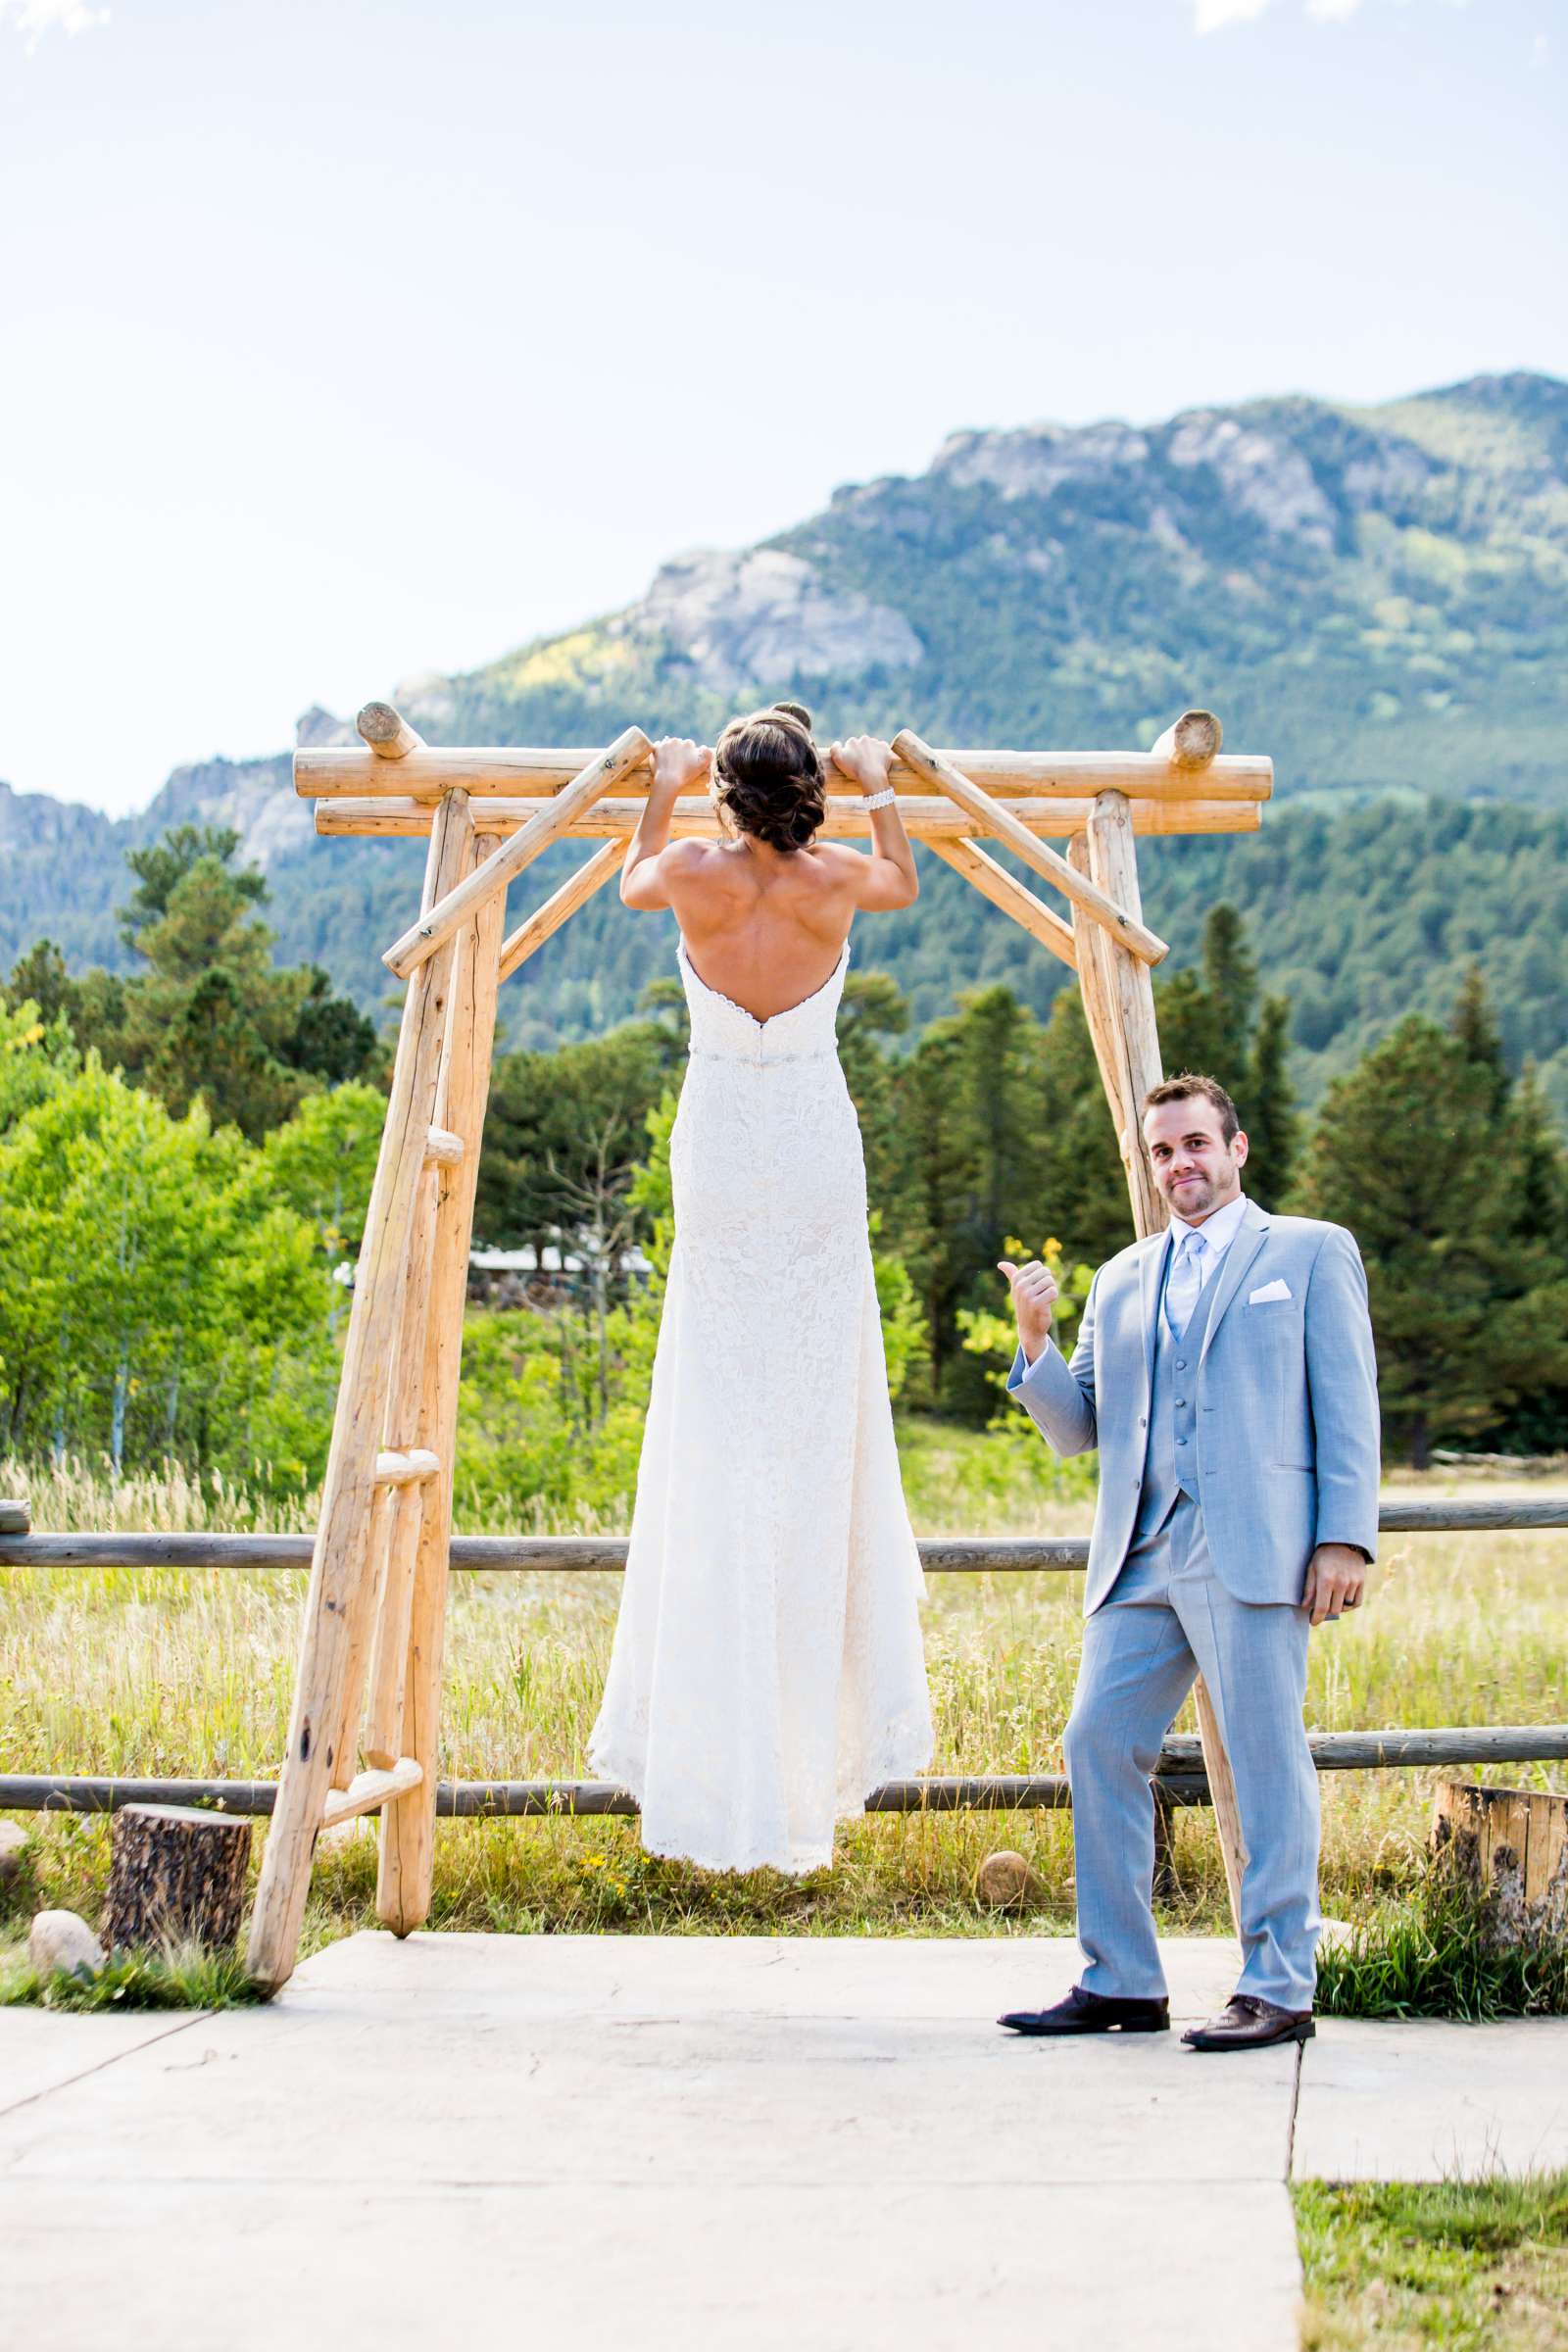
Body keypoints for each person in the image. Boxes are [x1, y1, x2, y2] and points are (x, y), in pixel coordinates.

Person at [587, 705, 932, 1873]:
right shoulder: (836, 880)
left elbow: (633, 880)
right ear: (807, 794)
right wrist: (879, 779)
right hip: (814, 1138)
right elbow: (905, 881)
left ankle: (725, 1636)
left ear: (727, 796)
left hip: (725, 1139)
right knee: (813, 1382)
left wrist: (667, 784)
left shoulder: (690, 869)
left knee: (721, 1382)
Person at [995, 1074, 1380, 2051]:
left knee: (1262, 1761)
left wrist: (1345, 1537)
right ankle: (1121, 1978)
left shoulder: (1306, 1251)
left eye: (1196, 1145)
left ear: (1236, 1148)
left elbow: (1346, 1404)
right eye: (1163, 1152)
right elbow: (1078, 1432)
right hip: (1140, 1554)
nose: (1181, 1165)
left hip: (1254, 1552)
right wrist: (1032, 1345)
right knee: (1096, 1740)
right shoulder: (1119, 1278)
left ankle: (1280, 1984)